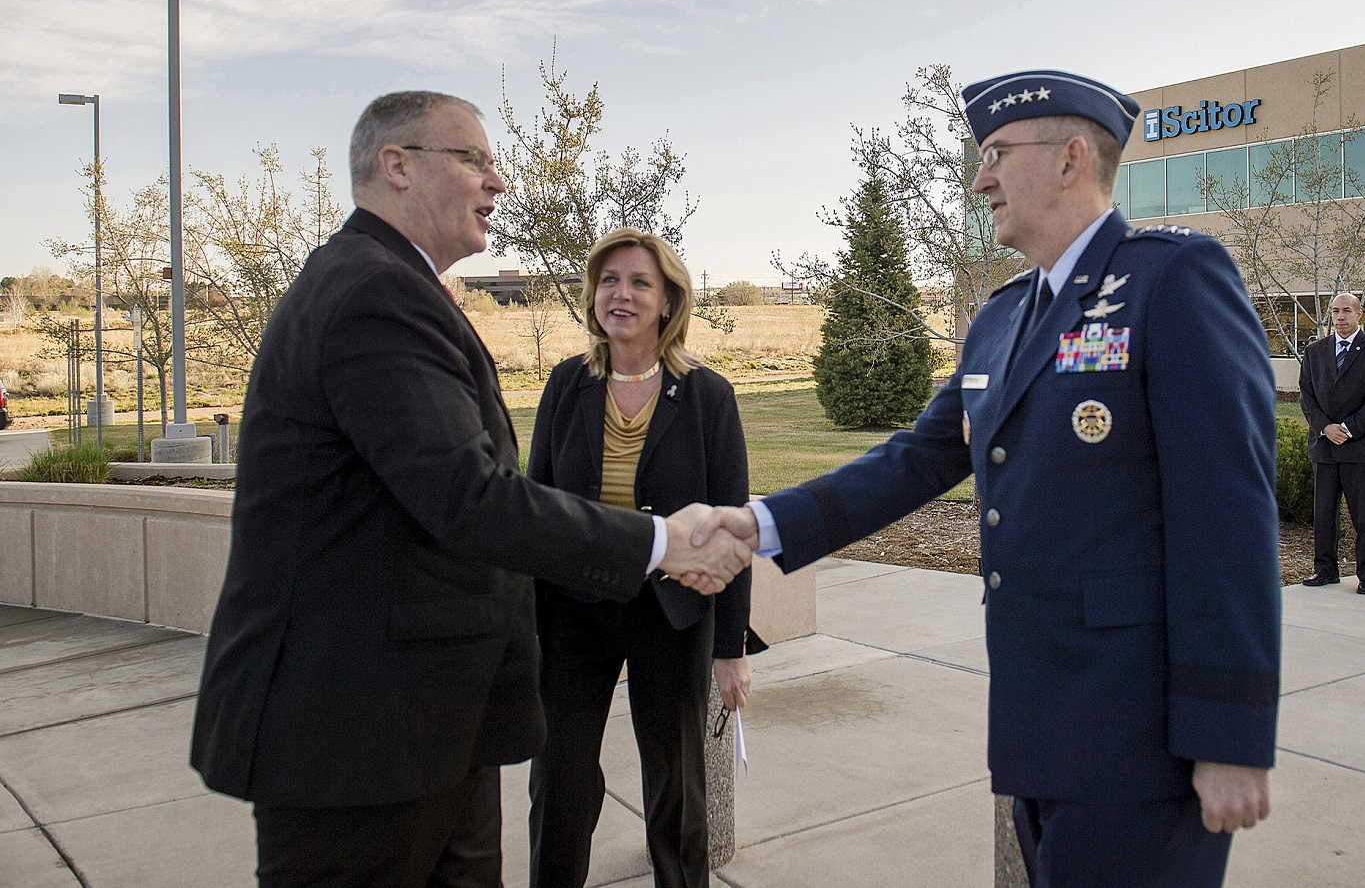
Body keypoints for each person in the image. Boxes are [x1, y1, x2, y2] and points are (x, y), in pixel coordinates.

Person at [691, 70, 1282, 888]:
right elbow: (918, 457)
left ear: (1072, 158)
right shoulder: (1003, 316)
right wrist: (761, 524)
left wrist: (1230, 735)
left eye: (998, 153)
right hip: (1037, 726)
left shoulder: (1171, 282)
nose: (980, 178)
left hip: (1141, 738)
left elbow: (1229, 516)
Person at [189, 91, 750, 888]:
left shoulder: (394, 287)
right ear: (397, 166)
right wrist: (662, 541)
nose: (498, 181)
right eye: (475, 159)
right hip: (360, 736)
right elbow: (473, 494)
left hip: (426, 725)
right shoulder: (371, 293)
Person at [526, 227, 756, 888]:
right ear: (593, 295)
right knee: (560, 781)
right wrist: (527, 622)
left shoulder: (708, 396)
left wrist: (730, 647)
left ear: (667, 300)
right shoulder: (566, 384)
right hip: (574, 612)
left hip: (671, 612)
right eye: (609, 280)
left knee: (676, 787)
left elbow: (731, 530)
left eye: (639, 282)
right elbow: (536, 506)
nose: (620, 294)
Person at [1299, 292, 1365, 595]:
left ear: (1359, 315)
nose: (1340, 317)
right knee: (1324, 513)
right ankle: (1325, 569)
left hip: (1362, 448)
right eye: (1335, 312)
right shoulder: (1315, 351)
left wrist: (1347, 428)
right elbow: (1306, 396)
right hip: (1325, 446)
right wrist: (1326, 427)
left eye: (1346, 312)